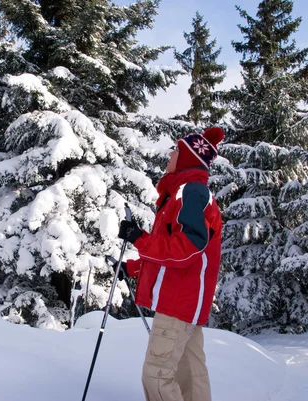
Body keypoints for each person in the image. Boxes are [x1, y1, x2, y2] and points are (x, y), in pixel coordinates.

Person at [116, 127, 224, 401]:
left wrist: (139, 238)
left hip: (178, 302)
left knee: (157, 373)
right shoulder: (183, 194)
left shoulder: (192, 192)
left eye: (176, 150)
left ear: (188, 158)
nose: (170, 153)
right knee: (190, 375)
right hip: (185, 302)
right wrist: (131, 268)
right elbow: (170, 256)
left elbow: (187, 249)